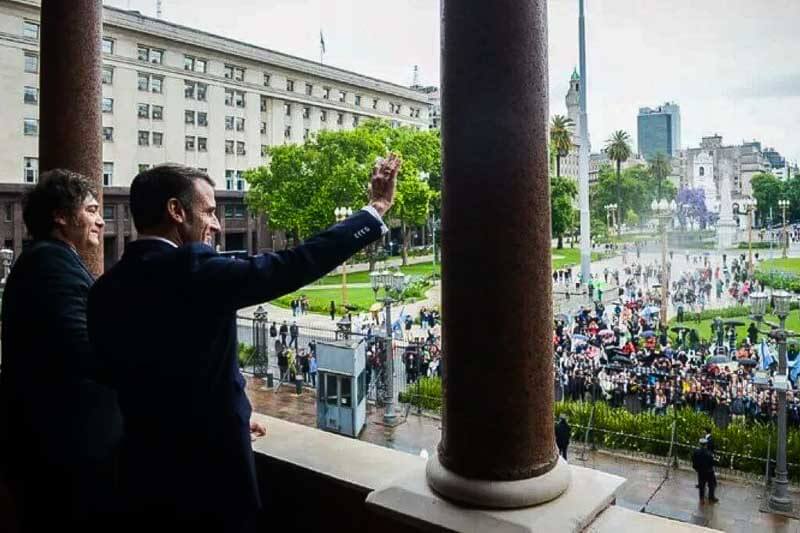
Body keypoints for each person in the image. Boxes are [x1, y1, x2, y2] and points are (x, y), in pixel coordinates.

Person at [87, 158, 398, 530]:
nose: (217, 225)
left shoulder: (104, 289)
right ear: (176, 211)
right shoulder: (192, 269)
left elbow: (111, 373)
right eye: (210, 211)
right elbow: (293, 264)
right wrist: (374, 209)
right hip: (210, 476)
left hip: (141, 472)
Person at [0, 169, 122, 531]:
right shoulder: (52, 266)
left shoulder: (46, 260)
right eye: (91, 209)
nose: (101, 219)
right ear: (61, 217)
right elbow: (84, 351)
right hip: (67, 453)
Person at [692, 438, 719, 503]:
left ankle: (701, 499)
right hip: (709, 471)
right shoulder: (709, 453)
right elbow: (712, 463)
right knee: (711, 485)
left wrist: (696, 468)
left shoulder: (696, 452)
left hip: (700, 471)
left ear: (699, 444)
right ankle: (711, 497)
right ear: (706, 445)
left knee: (701, 485)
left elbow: (694, 461)